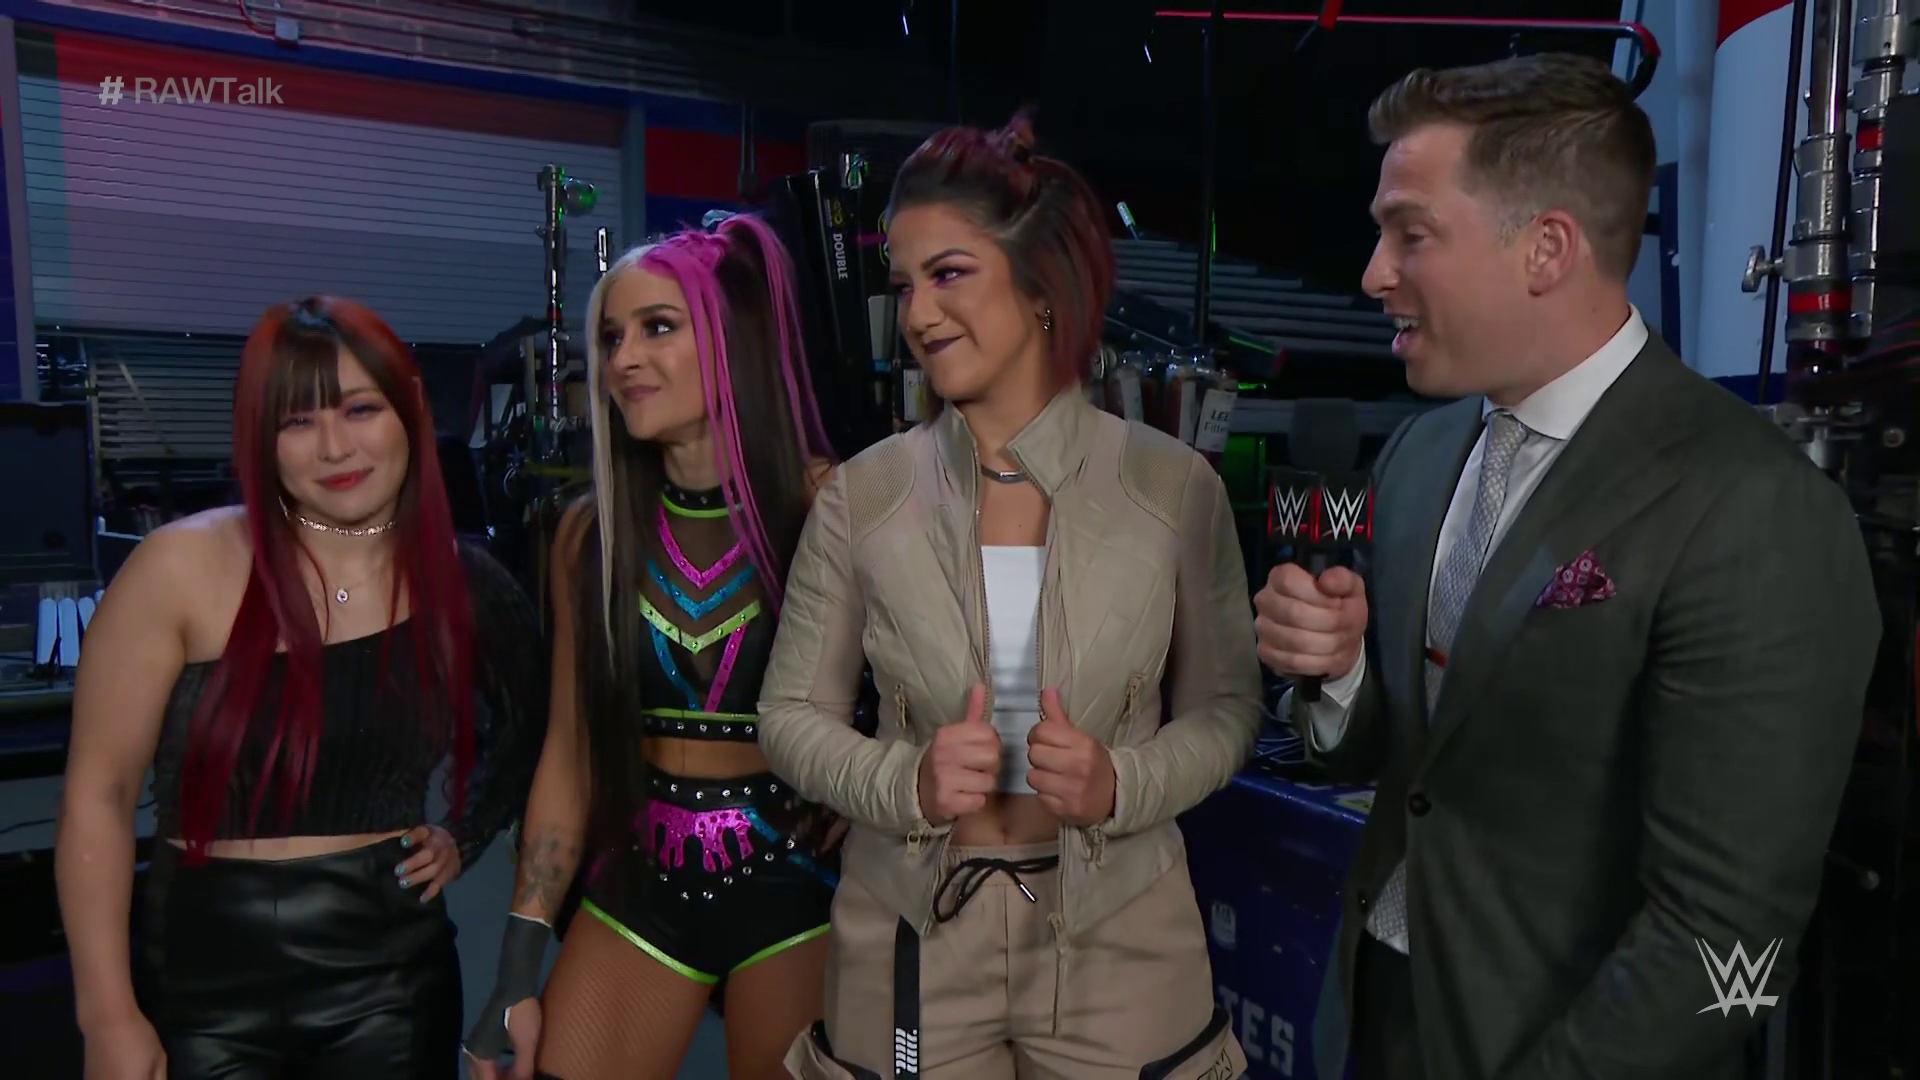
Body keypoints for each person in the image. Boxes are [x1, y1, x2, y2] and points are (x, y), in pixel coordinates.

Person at [1252, 54, 1882, 1080]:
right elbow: (1412, 769)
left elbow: (1729, 936)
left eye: (1411, 234)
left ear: (1545, 248)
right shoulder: (1417, 456)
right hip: (1375, 1022)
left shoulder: (1753, 507)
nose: (1373, 274)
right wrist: (1338, 673)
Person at [760, 112, 1262, 1080]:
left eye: (948, 274)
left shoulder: (1174, 490)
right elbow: (788, 716)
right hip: (913, 928)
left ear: (1041, 287)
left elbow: (1229, 709)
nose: (917, 314)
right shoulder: (863, 497)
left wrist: (1122, 785)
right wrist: (903, 783)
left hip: (1120, 934)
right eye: (905, 284)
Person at [56, 296, 547, 1080]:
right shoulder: (176, 568)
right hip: (198, 984)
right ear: (261, 436)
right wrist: (105, 1014)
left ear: (410, 409)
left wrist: (465, 831)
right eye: (297, 421)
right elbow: (99, 795)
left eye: (360, 409)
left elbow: (530, 731)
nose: (334, 447)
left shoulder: (465, 582)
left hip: (390, 983)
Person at [461, 213, 841, 1080]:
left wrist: (883, 771)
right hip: (643, 881)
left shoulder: (830, 506)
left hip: (803, 888)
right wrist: (516, 975)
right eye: (610, 338)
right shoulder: (587, 536)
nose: (622, 359)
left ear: (731, 340)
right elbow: (568, 755)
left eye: (657, 328)